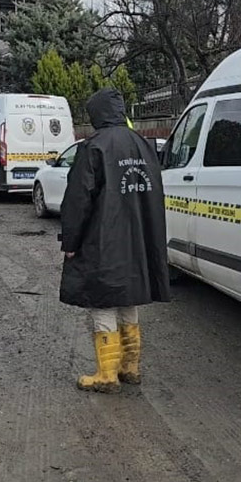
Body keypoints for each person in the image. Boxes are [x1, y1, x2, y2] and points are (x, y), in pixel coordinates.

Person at [59, 89, 170, 393]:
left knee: (103, 301)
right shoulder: (143, 146)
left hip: (103, 240)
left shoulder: (93, 147)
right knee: (128, 300)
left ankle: (107, 374)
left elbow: (78, 200)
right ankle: (130, 367)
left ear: (96, 114)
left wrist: (70, 242)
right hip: (139, 241)